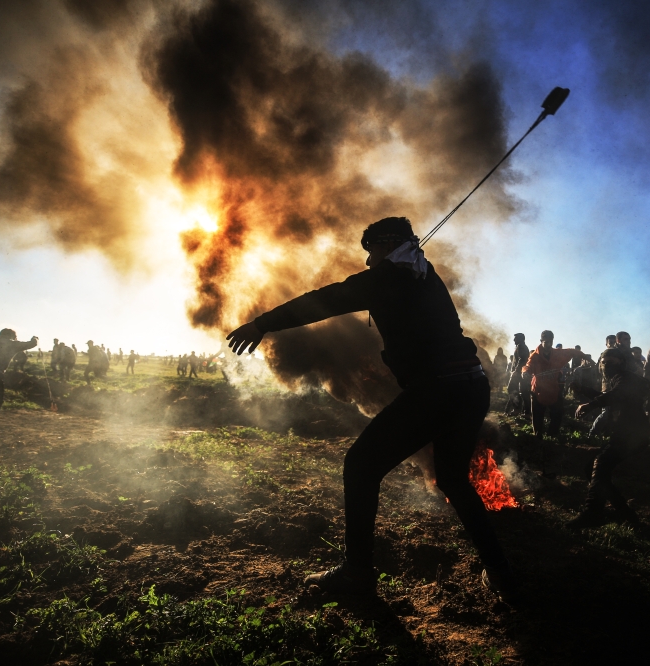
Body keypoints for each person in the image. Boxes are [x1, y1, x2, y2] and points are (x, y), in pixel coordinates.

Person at [225, 216, 517, 601]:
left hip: (436, 390)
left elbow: (324, 301)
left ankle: (357, 572)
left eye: (370, 251)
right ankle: (498, 570)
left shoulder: (390, 276)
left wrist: (261, 324)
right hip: (470, 387)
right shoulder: (424, 274)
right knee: (452, 479)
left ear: (387, 244)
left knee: (361, 465)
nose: (367, 262)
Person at [569, 348, 650, 528]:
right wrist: (583, 390)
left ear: (621, 363)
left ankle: (593, 512)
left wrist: (590, 406)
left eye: (611, 362)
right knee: (594, 468)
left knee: (601, 463)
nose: (606, 366)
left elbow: (616, 395)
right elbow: (608, 397)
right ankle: (625, 513)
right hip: (626, 434)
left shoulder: (626, 378)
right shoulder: (618, 379)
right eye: (604, 362)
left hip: (633, 435)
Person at [522, 330, 582, 440]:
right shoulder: (535, 356)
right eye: (546, 342)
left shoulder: (557, 353)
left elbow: (572, 351)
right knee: (537, 415)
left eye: (550, 341)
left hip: (553, 389)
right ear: (541, 341)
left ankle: (552, 435)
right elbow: (528, 366)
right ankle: (538, 436)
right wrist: (525, 372)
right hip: (538, 390)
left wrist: (586, 357)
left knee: (558, 413)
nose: (548, 344)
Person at [506, 333, 531, 418]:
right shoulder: (521, 346)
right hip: (522, 372)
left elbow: (522, 359)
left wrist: (516, 371)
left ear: (520, 339)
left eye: (515, 338)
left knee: (511, 389)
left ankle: (517, 409)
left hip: (519, 373)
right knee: (523, 392)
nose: (514, 340)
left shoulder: (521, 346)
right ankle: (525, 412)